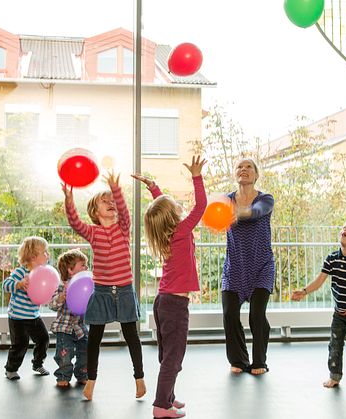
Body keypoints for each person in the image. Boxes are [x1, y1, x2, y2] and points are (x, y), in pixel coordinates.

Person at [62, 171, 145, 401]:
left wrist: (114, 188)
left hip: (125, 290)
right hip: (102, 292)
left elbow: (125, 210)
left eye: (112, 201)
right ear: (95, 212)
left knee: (132, 337)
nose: (110, 203)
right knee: (94, 339)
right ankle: (91, 381)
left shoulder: (123, 228)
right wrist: (69, 200)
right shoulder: (93, 232)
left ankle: (139, 378)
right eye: (104, 201)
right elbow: (74, 222)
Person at [135, 155, 207, 419]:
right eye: (176, 205)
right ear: (173, 215)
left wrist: (154, 187)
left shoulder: (167, 232)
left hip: (163, 302)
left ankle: (168, 397)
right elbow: (201, 206)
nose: (180, 206)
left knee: (168, 356)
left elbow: (162, 209)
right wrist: (197, 176)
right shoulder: (181, 230)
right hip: (175, 305)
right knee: (173, 359)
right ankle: (160, 406)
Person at [292, 219, 346, 393]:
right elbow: (320, 280)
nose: (345, 229)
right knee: (335, 344)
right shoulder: (332, 258)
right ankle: (334, 375)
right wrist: (304, 291)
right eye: (344, 227)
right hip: (340, 313)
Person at [221, 158, 275, 375]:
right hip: (234, 267)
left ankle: (259, 361)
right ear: (235, 174)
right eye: (239, 167)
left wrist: (238, 214)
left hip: (262, 266)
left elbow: (258, 211)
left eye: (248, 167)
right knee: (230, 314)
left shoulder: (266, 199)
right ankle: (239, 359)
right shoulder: (226, 201)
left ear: (256, 175)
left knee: (256, 315)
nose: (243, 170)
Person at [2, 236, 51, 380]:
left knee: (44, 339)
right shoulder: (20, 272)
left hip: (34, 316)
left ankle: (37, 363)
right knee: (20, 344)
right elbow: (5, 285)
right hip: (17, 318)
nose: (48, 255)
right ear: (34, 257)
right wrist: (18, 284)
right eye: (45, 253)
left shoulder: (43, 274)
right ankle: (11, 369)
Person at [49, 249, 90, 388]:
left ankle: (82, 374)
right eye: (83, 265)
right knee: (64, 354)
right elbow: (52, 304)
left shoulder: (86, 284)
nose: (86, 267)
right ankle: (63, 376)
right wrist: (62, 297)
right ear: (70, 270)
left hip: (80, 327)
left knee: (84, 352)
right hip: (64, 328)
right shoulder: (62, 285)